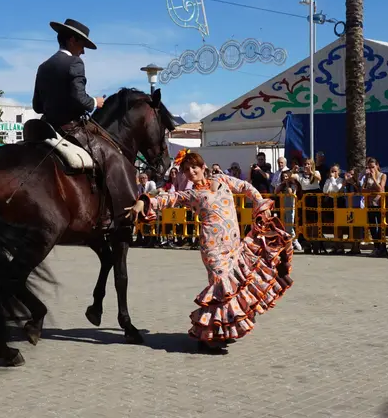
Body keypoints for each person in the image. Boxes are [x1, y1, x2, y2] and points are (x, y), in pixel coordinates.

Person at [126, 150, 294, 354]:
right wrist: (143, 202)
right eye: (186, 170)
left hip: (233, 245)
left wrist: (260, 203)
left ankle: (221, 331)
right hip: (213, 249)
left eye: (194, 167)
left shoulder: (221, 179)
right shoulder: (190, 194)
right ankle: (207, 338)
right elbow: (166, 199)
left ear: (203, 166)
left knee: (234, 286)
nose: (191, 172)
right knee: (220, 287)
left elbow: (245, 186)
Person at [32, 18, 137, 238]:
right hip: (70, 127)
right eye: (82, 45)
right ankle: (109, 213)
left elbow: (37, 105)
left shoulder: (43, 66)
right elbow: (80, 99)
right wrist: (95, 102)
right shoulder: (74, 64)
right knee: (113, 158)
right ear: (71, 40)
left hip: (45, 126)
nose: (83, 52)